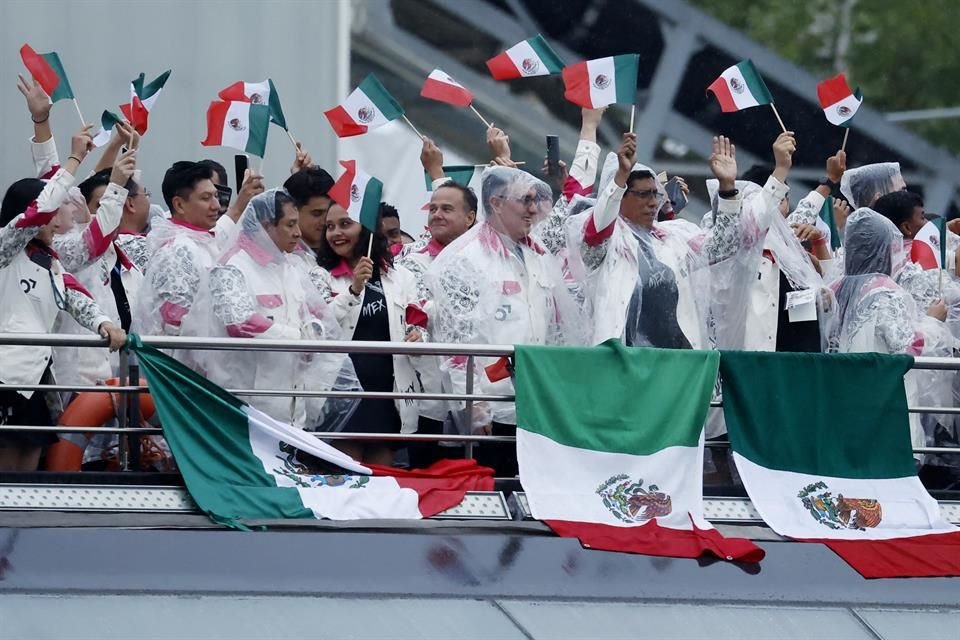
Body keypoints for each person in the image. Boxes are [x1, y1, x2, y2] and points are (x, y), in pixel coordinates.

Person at [426, 166, 587, 477]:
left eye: (535, 200)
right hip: (492, 407)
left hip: (536, 404)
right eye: (523, 200)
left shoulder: (538, 255)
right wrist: (472, 405)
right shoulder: (464, 259)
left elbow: (556, 327)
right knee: (493, 490)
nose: (532, 209)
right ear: (496, 203)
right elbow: (455, 343)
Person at [0, 125, 126, 471]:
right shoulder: (5, 249)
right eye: (51, 216)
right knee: (7, 473)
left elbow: (77, 298)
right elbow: (38, 211)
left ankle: (22, 527)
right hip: (7, 376)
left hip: (36, 377)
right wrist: (74, 158)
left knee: (28, 466)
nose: (57, 221)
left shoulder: (49, 260)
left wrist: (103, 323)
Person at [182, 188, 359, 428]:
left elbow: (316, 315)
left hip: (292, 406)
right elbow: (240, 322)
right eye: (290, 225)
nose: (298, 233)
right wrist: (297, 337)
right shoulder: (232, 267)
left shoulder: (290, 268)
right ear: (266, 226)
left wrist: (316, 330)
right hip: (246, 408)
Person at [828, 208, 953, 458]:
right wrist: (932, 321)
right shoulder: (887, 292)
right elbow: (906, 347)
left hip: (845, 405)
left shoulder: (835, 288)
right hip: (886, 407)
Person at [312, 203, 425, 466]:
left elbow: (418, 321)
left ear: (367, 230)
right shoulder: (320, 275)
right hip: (342, 392)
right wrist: (352, 290)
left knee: (380, 475)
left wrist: (417, 335)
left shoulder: (401, 276)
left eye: (345, 224)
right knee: (345, 474)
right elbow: (317, 327)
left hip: (387, 391)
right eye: (329, 227)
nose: (336, 233)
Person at [135, 161, 223, 336]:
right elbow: (175, 322)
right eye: (206, 198)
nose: (216, 206)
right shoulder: (177, 250)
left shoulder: (205, 242)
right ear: (179, 205)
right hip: (182, 359)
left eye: (216, 196)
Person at [283, 166, 334, 259]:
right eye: (317, 213)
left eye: (330, 212)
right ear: (293, 211)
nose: (326, 221)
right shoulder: (278, 256)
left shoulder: (347, 254)